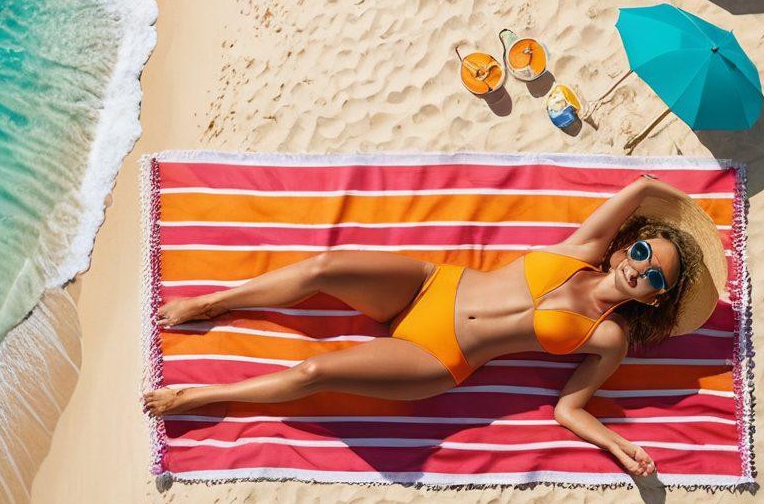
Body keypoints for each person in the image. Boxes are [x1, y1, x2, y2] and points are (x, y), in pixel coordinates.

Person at [143, 174, 726, 477]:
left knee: (316, 370)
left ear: (655, 302)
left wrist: (621, 447)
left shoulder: (609, 337)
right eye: (645, 255)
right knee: (324, 267)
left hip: (437, 355)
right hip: (430, 284)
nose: (642, 271)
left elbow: (567, 410)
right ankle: (214, 304)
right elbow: (643, 189)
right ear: (629, 246)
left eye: (658, 281)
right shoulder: (583, 248)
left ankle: (202, 398)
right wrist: (687, 221)